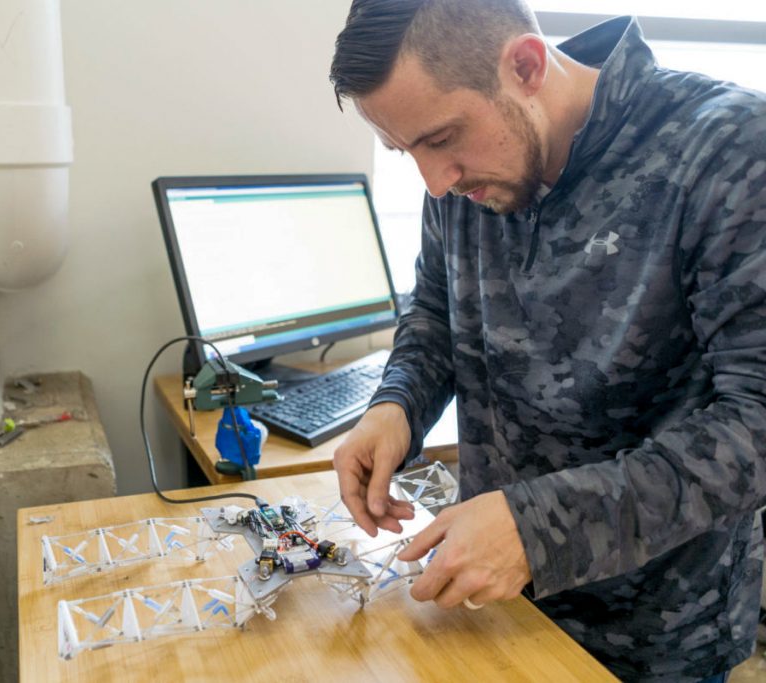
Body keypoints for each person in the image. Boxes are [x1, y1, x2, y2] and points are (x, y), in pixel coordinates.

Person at [328, 1, 766, 680]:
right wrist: (396, 405)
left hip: (656, 638)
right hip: (491, 609)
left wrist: (538, 527)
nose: (434, 181)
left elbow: (757, 423)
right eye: (405, 150)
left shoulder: (729, 150)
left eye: (442, 139)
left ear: (526, 65)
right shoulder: (457, 172)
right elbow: (436, 313)